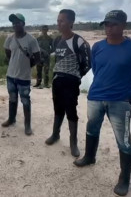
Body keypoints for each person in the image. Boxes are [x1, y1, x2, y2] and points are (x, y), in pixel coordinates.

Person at [74, 10, 131, 196]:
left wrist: (125, 90)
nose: (109, 28)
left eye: (113, 24)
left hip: (120, 100)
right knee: (92, 129)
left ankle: (124, 179)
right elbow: (97, 70)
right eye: (106, 24)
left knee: (123, 140)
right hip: (96, 96)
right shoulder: (97, 47)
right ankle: (90, 157)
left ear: (123, 25)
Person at [45, 9, 91, 158]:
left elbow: (88, 64)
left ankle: (73, 143)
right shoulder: (57, 40)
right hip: (57, 80)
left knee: (71, 111)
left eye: (61, 21)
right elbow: (56, 58)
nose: (58, 23)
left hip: (71, 82)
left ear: (71, 23)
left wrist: (76, 76)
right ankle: (55, 134)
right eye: (58, 20)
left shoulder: (79, 41)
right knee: (57, 108)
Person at [2, 13, 41, 135]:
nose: (15, 25)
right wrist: (14, 63)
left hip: (24, 77)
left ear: (23, 23)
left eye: (17, 22)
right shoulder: (9, 38)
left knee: (25, 101)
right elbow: (8, 54)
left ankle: (27, 125)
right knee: (12, 99)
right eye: (13, 23)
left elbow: (37, 57)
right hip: (11, 76)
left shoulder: (31, 40)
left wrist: (27, 66)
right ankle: (11, 119)